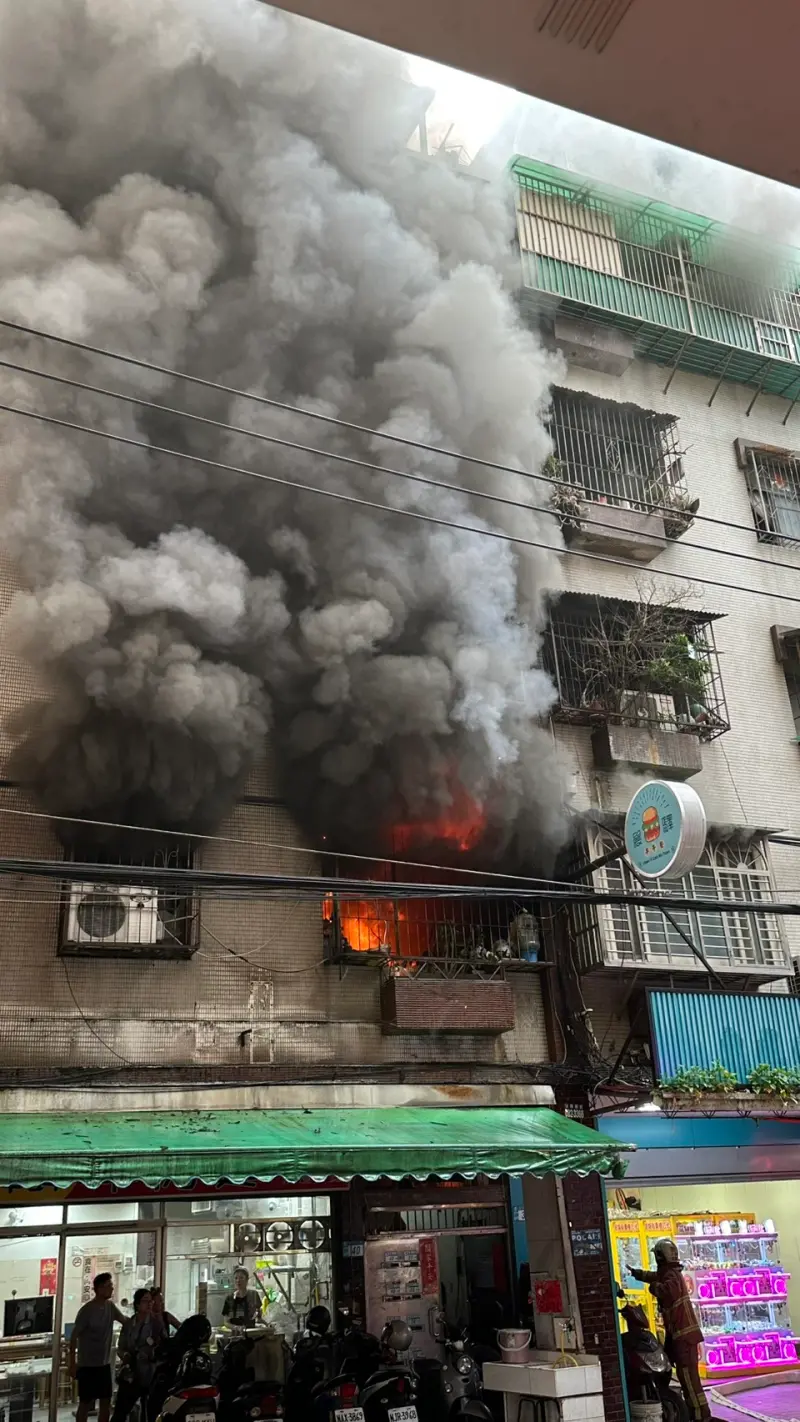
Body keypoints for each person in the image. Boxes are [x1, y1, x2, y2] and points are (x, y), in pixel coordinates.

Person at [631, 1238, 710, 1422]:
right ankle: (695, 1413)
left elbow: (665, 1290)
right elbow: (656, 1276)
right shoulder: (670, 1272)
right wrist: (639, 1274)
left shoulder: (671, 1277)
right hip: (681, 1337)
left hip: (683, 1338)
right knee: (686, 1379)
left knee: (689, 1380)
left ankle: (701, 1415)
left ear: (660, 1256)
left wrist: (653, 1287)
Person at [69, 1273, 128, 1422]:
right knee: (85, 1403)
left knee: (105, 1402)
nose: (112, 1288)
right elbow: (74, 1336)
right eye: (109, 1286)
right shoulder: (87, 1310)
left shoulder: (110, 1307)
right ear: (99, 1289)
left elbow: (124, 1321)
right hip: (87, 1365)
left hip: (104, 1364)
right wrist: (72, 1363)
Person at [113, 1289, 156, 1422]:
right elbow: (120, 1348)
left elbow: (163, 1345)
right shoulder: (129, 1324)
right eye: (145, 1301)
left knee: (148, 1411)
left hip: (150, 1373)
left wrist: (151, 1354)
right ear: (137, 1304)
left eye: (151, 1301)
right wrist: (125, 1355)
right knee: (121, 1410)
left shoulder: (156, 1323)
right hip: (131, 1374)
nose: (149, 1304)